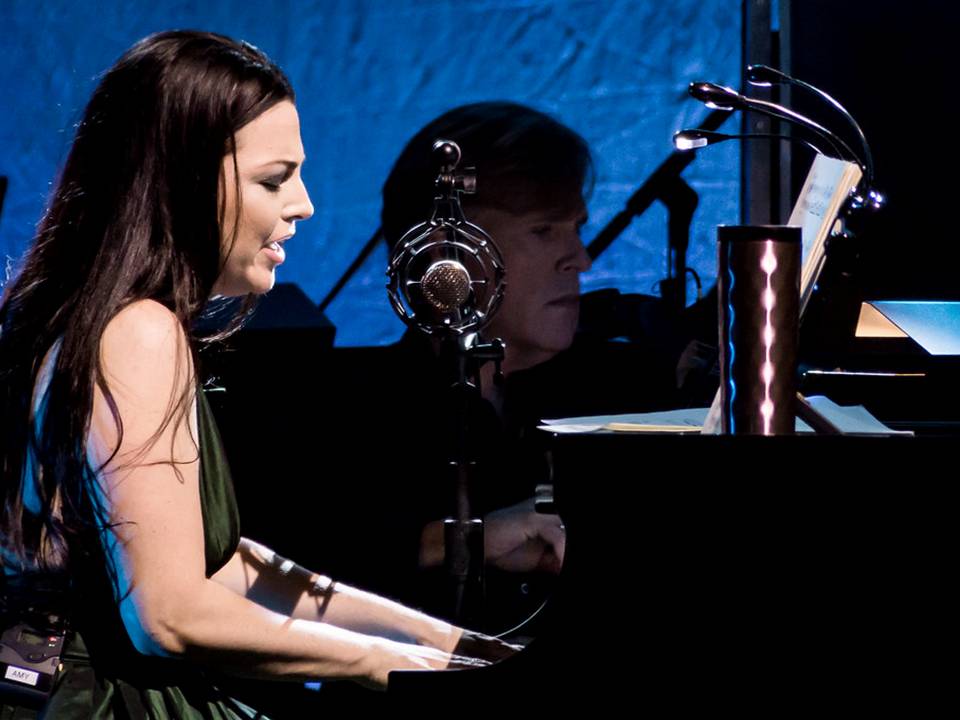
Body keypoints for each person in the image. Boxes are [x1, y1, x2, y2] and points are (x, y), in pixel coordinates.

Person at [0, 31, 509, 719]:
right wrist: (385, 664)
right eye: (274, 180)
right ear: (183, 179)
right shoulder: (139, 332)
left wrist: (441, 641)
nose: (304, 204)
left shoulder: (96, 319)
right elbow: (170, 613)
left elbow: (223, 563)